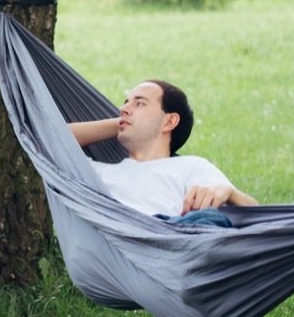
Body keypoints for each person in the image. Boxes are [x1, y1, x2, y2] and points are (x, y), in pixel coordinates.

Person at [69, 80, 258, 222]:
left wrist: (230, 193)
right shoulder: (98, 173)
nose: (123, 109)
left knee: (210, 218)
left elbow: (259, 216)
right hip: (122, 238)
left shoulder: (190, 167)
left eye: (139, 103)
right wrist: (122, 122)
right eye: (126, 103)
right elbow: (51, 135)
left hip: (174, 238)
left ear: (169, 121)